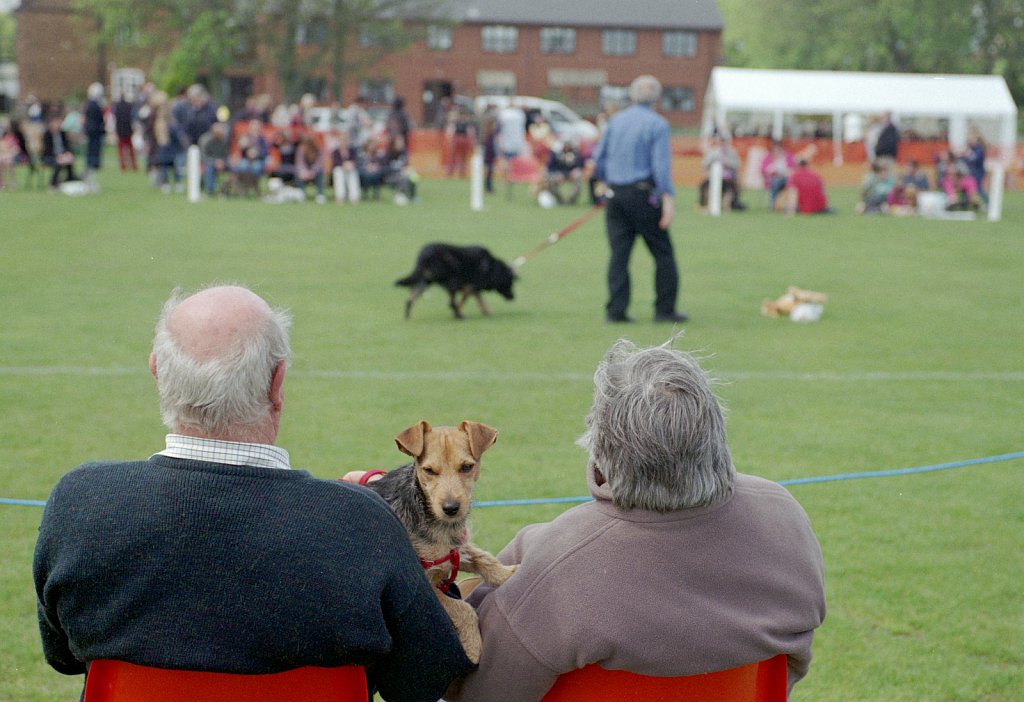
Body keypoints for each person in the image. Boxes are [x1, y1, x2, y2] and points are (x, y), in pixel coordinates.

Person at [33, 284, 473, 702]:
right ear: (277, 383)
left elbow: (63, 655)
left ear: (156, 371)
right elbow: (424, 676)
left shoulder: (80, 502)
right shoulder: (360, 521)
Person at [443, 338, 826, 702]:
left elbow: (476, 691)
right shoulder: (784, 517)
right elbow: (789, 665)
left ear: (601, 451)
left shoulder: (551, 563)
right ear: (715, 435)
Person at [592, 75, 687, 324]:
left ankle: (616, 310)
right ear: (656, 97)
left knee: (619, 254)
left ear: (632, 95)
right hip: (643, 194)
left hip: (615, 194)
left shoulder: (615, 122)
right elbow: (660, 166)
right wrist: (667, 198)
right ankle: (665, 309)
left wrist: (603, 181)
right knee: (663, 253)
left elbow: (599, 157)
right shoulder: (657, 124)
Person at [698, 132, 745, 211]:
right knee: (703, 186)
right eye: (721, 140)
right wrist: (713, 160)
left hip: (728, 178)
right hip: (714, 177)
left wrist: (727, 163)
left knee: (731, 187)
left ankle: (727, 205)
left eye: (724, 141)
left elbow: (737, 165)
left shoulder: (732, 152)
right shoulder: (714, 152)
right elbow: (704, 163)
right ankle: (704, 205)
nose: (723, 143)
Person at [41, 114, 78, 191]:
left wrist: (68, 153)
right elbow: (47, 149)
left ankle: (70, 180)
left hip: (62, 156)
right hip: (49, 157)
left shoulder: (62, 133)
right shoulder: (47, 134)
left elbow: (67, 145)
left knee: (69, 161)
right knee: (59, 163)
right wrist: (58, 156)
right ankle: (53, 184)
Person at [82, 82, 106, 192]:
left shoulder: (91, 104)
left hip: (94, 134)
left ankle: (89, 177)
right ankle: (89, 178)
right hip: (94, 135)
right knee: (92, 157)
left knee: (92, 157)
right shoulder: (93, 105)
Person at [760, 139, 795, 210]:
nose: (776, 150)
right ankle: (774, 205)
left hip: (788, 178)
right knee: (776, 182)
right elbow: (763, 170)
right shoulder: (768, 157)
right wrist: (770, 170)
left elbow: (795, 168)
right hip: (773, 179)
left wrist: (787, 172)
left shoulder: (789, 156)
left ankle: (789, 206)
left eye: (778, 148)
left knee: (790, 182)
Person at [198, 121, 231, 196]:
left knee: (234, 168)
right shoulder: (206, 141)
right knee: (209, 169)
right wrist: (215, 162)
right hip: (209, 163)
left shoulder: (224, 141)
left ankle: (226, 190)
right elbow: (204, 156)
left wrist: (222, 162)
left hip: (222, 163)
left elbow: (226, 155)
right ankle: (210, 190)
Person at [113, 92, 137, 171]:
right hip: (128, 130)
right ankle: (133, 165)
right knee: (130, 149)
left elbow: (115, 120)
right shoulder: (129, 106)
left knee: (121, 150)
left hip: (121, 131)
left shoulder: (117, 107)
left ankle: (123, 165)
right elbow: (132, 118)